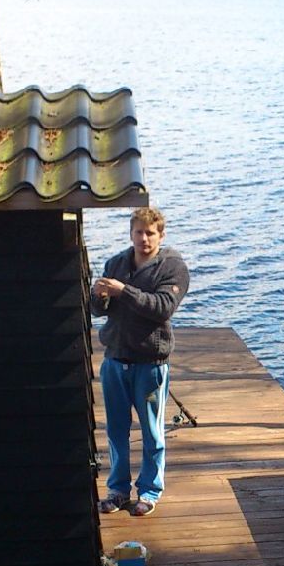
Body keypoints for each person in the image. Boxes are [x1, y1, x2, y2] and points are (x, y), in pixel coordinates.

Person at [91, 207, 190, 517]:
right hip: (114, 361)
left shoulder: (173, 268)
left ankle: (149, 491)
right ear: (131, 233)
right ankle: (118, 490)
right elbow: (98, 310)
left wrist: (124, 291)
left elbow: (163, 307)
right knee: (116, 430)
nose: (144, 239)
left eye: (150, 233)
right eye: (139, 232)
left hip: (150, 364)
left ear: (161, 235)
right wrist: (99, 296)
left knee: (152, 432)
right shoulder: (117, 262)